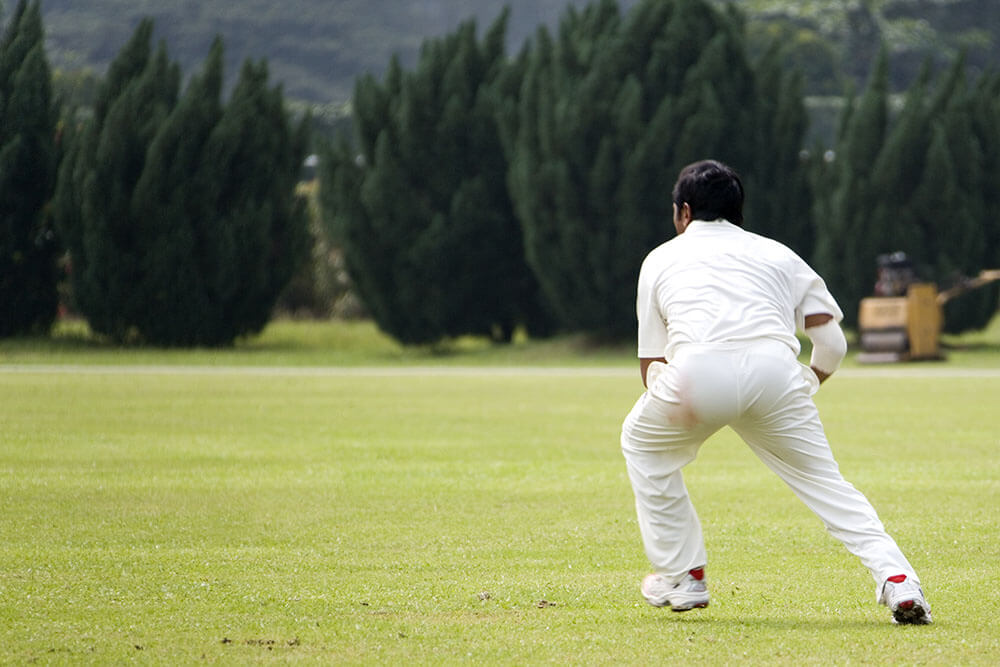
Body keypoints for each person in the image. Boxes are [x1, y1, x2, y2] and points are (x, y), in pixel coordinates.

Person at [620, 159, 931, 624]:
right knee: (827, 484)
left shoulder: (661, 258)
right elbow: (832, 343)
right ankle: (899, 580)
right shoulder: (779, 254)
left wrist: (676, 398)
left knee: (640, 443)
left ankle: (685, 575)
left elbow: (651, 364)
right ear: (738, 210)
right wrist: (808, 381)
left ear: (683, 212)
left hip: (697, 373)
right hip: (776, 372)